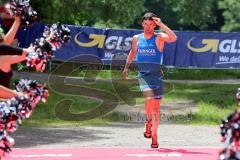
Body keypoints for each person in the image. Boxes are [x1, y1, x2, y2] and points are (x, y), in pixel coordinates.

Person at [122, 12, 177, 148]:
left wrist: (161, 24)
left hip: (157, 76)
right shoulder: (137, 38)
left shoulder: (159, 37)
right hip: (144, 76)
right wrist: (127, 67)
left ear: (154, 25)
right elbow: (133, 51)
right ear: (142, 24)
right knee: (149, 99)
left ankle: (154, 136)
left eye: (151, 24)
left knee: (156, 109)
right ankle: (148, 121)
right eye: (145, 24)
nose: (148, 27)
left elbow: (173, 37)